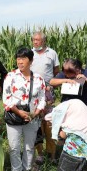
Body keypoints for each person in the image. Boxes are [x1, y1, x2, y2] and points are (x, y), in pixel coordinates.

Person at [3, 47, 46, 171]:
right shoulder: (10, 76)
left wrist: (35, 113)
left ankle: (27, 168)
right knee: (14, 147)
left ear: (31, 61)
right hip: (14, 116)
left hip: (32, 118)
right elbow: (7, 98)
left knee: (29, 147)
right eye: (18, 58)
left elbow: (42, 98)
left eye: (23, 59)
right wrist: (19, 112)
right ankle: (16, 169)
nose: (20, 62)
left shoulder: (38, 78)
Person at [45, 99, 87, 171]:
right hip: (85, 155)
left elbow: (62, 135)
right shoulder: (84, 118)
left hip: (72, 153)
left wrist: (58, 130)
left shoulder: (71, 123)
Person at [30, 31, 60, 164]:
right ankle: (40, 153)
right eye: (34, 40)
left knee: (49, 122)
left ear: (44, 41)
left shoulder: (52, 53)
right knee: (36, 123)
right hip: (33, 93)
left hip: (48, 91)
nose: (35, 42)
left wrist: (50, 86)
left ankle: (52, 154)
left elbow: (56, 72)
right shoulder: (29, 54)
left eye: (38, 40)